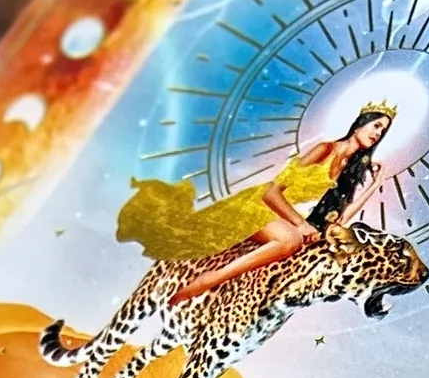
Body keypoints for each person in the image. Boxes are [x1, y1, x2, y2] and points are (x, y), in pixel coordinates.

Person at [115, 104, 399, 303]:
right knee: (290, 240)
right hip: (263, 207)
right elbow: (271, 193)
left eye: (382, 133)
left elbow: (340, 219)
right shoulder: (325, 149)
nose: (377, 134)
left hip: (291, 223)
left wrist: (374, 183)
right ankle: (209, 280)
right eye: (376, 126)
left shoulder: (349, 171)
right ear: (361, 122)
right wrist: (300, 223)